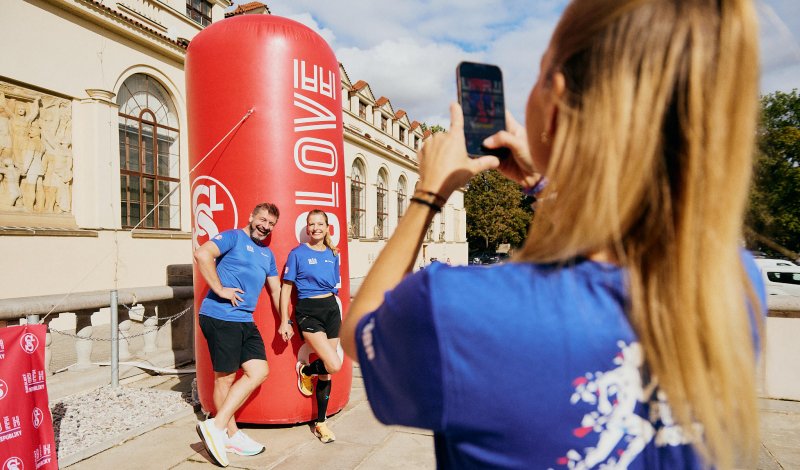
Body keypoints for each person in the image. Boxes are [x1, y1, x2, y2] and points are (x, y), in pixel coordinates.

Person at [341, 1, 766, 468]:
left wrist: (429, 193)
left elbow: (360, 329)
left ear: (557, 96)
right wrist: (546, 186)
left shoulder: (463, 306)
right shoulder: (736, 283)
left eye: (540, 74)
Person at [194, 202, 281, 467]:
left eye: (271, 224)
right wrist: (220, 289)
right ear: (251, 216)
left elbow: (276, 290)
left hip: (245, 320)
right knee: (226, 378)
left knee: (259, 371)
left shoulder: (267, 255)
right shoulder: (233, 236)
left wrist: (286, 320)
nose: (265, 226)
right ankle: (229, 433)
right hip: (220, 316)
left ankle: (218, 427)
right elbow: (202, 254)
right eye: (262, 220)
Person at [280, 209, 343, 443]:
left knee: (326, 371)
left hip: (331, 309)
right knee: (333, 364)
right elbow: (286, 289)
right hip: (308, 311)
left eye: (320, 224)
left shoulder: (333, 254)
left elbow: (333, 285)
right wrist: (283, 320)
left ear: (327, 228)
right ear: (307, 228)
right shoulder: (297, 254)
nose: (315, 228)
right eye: (311, 224)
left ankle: (321, 423)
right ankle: (305, 370)